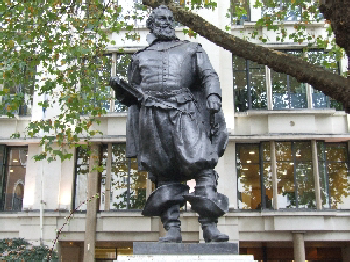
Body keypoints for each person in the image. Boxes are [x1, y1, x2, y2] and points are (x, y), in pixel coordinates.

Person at [110, 5, 229, 243]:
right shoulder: (140, 56)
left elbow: (208, 75)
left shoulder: (191, 48)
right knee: (165, 172)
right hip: (153, 117)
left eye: (169, 19)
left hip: (184, 112)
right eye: (160, 19)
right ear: (151, 25)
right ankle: (172, 228)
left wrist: (213, 96)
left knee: (203, 165)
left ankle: (209, 226)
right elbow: (133, 96)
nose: (165, 23)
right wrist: (121, 91)